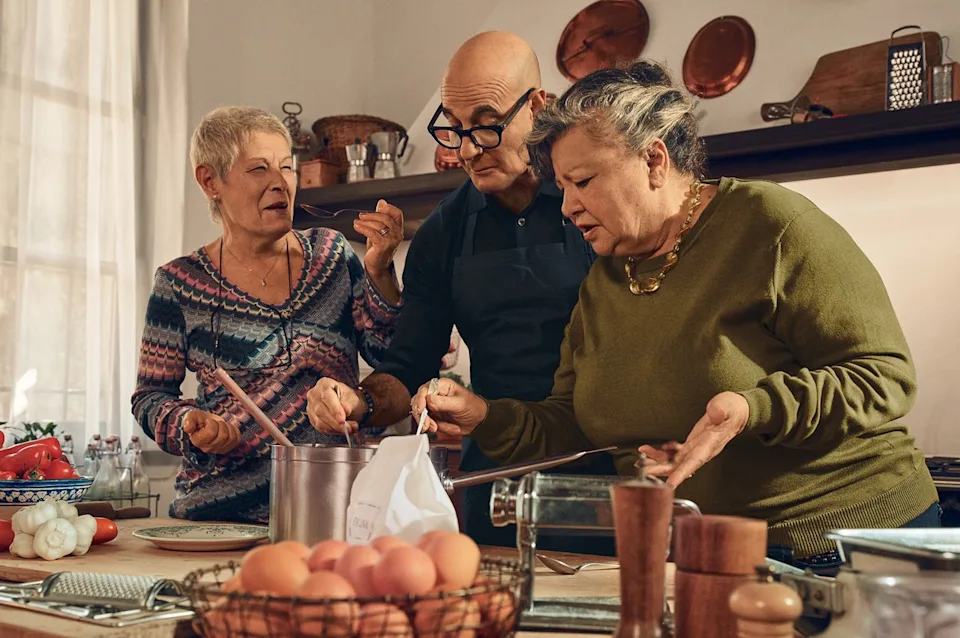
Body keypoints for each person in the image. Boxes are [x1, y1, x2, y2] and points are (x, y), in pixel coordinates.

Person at [411, 60, 940, 573]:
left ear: (655, 161)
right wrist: (484, 415)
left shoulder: (770, 225)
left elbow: (884, 375)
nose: (568, 206)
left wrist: (752, 408)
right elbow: (574, 423)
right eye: (564, 187)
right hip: (700, 551)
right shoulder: (606, 279)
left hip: (840, 548)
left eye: (584, 181)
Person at [305, 31, 617, 550]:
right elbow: (408, 368)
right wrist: (357, 400)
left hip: (605, 475)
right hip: (494, 483)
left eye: (487, 125)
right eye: (454, 127)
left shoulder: (593, 201)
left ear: (539, 107)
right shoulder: (443, 234)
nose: (467, 149)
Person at [132, 106, 404, 522]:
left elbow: (390, 356)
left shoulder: (331, 255)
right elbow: (150, 398)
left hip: (333, 508)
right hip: (220, 516)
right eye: (259, 169)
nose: (280, 182)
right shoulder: (178, 283)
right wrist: (190, 423)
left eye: (286, 167)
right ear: (210, 182)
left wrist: (380, 271)